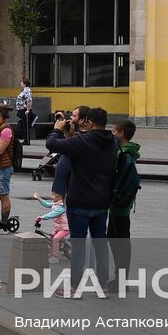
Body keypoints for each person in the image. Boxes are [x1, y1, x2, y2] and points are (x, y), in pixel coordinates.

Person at [44, 106, 118, 296]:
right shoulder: (113, 142)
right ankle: (103, 285)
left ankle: (74, 287)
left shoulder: (82, 141)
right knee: (100, 244)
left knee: (78, 246)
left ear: (89, 122)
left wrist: (57, 128)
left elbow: (51, 144)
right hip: (102, 202)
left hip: (80, 202)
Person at [108, 119, 140, 283]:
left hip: (119, 203)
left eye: (114, 130)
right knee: (115, 238)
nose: (112, 133)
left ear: (121, 133)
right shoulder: (124, 151)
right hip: (120, 203)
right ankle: (119, 276)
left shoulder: (124, 153)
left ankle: (121, 278)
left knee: (120, 239)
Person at [34, 191, 69, 262]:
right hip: (59, 228)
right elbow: (46, 204)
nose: (51, 196)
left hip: (65, 229)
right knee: (51, 238)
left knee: (55, 239)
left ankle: (55, 257)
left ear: (59, 197)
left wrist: (42, 217)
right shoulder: (56, 204)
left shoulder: (61, 207)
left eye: (53, 195)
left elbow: (52, 214)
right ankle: (52, 251)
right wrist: (39, 198)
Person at [15, 76, 34, 146]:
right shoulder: (24, 91)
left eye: (22, 83)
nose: (20, 84)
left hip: (24, 110)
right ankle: (25, 139)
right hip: (21, 110)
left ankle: (26, 140)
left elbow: (29, 101)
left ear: (25, 84)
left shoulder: (27, 91)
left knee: (25, 125)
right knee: (23, 125)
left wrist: (28, 110)